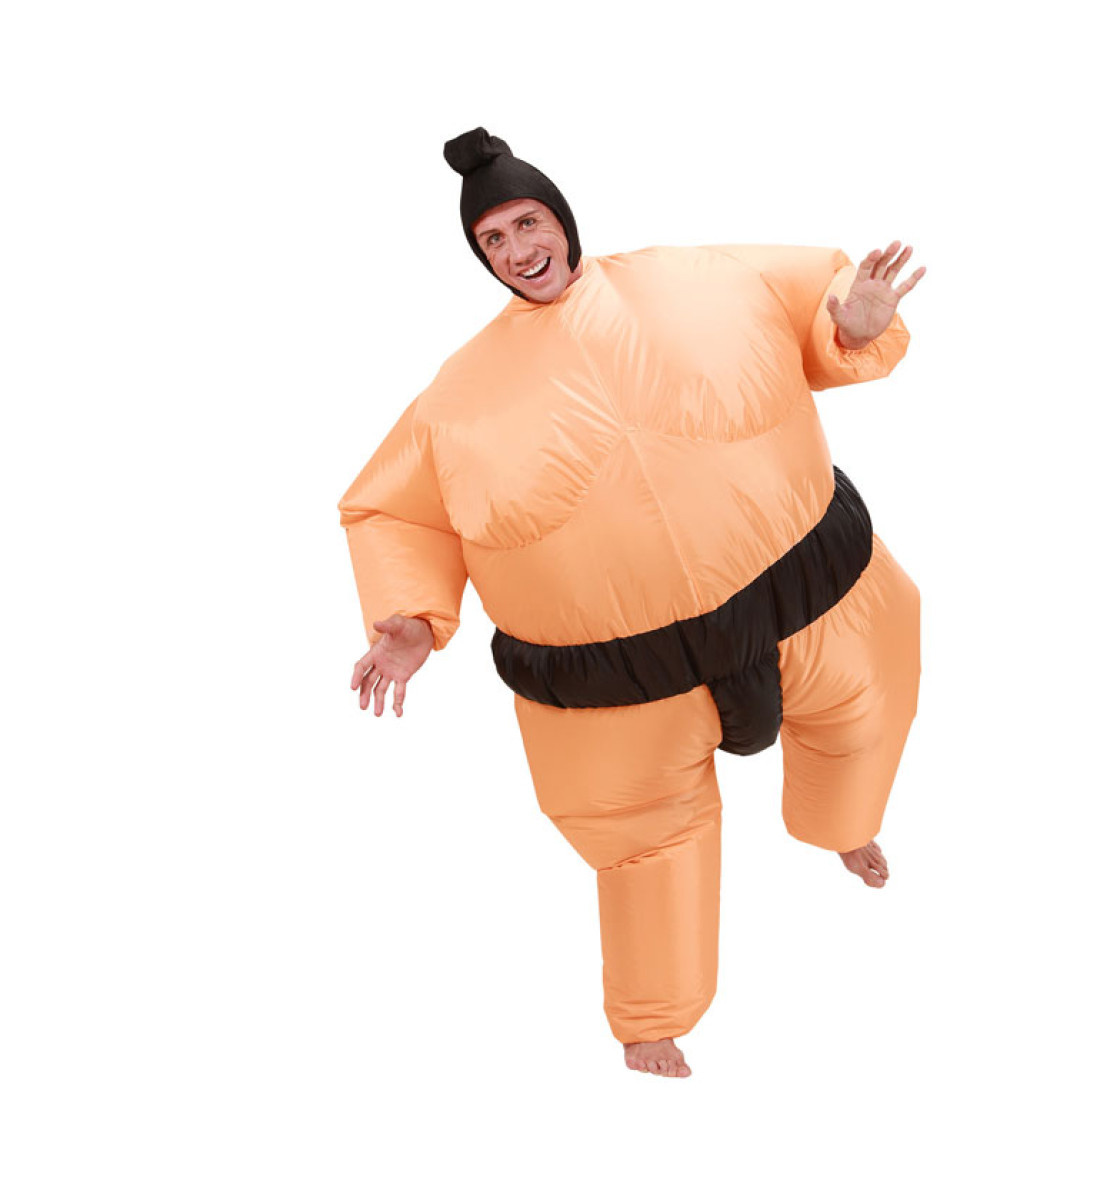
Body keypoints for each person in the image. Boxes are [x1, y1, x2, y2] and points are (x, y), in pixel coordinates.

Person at [339, 127, 925, 1079]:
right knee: (643, 842)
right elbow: (390, 506)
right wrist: (410, 619)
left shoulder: (703, 280)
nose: (519, 249)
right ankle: (652, 1019)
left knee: (867, 710)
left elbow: (815, 302)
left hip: (809, 599)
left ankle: (842, 825)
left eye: (528, 221)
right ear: (481, 258)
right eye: (493, 240)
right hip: (618, 685)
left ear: (561, 218)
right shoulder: (458, 401)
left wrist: (852, 329)